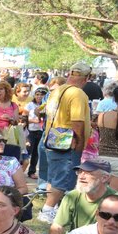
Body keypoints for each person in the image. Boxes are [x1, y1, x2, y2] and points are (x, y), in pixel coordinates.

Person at [38, 62, 92, 224]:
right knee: (63, 179)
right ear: (86, 77)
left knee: (54, 178)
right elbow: (77, 122)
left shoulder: (58, 90)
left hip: (52, 138)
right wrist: (80, 142)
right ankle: (48, 209)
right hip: (67, 142)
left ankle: (52, 209)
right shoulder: (78, 94)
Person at [40, 159, 118, 234]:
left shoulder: (117, 202)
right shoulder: (72, 196)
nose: (81, 176)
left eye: (88, 173)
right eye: (80, 172)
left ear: (104, 178)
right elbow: (57, 227)